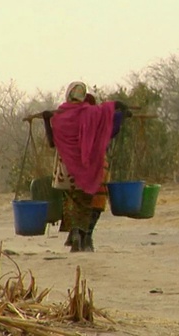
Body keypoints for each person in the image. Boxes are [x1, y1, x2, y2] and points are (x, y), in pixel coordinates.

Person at [41, 81, 131, 252]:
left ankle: (75, 233)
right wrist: (120, 108)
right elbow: (111, 120)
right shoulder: (94, 115)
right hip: (92, 168)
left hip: (67, 169)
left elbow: (52, 142)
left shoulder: (61, 116)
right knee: (89, 202)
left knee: (71, 201)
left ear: (68, 94)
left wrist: (47, 120)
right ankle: (84, 236)